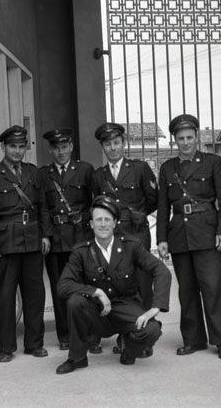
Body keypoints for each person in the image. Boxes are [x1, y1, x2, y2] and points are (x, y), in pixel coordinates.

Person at [55, 196, 171, 374]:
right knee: (75, 302)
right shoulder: (81, 252)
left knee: (152, 330)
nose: (103, 224)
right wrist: (96, 292)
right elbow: (63, 285)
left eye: (107, 219)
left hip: (125, 307)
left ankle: (129, 351)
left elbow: (161, 271)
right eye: (98, 220)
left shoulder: (131, 245)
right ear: (91, 224)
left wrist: (156, 307)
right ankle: (77, 358)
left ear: (115, 223)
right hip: (97, 311)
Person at [157, 114, 221, 360]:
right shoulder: (168, 168)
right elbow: (163, 207)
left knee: (213, 288)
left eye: (189, 137)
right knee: (187, 291)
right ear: (174, 140)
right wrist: (162, 238)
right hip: (180, 235)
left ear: (197, 137)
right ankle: (193, 339)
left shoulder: (213, 163)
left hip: (208, 233)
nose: (186, 143)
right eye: (181, 138)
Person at [0, 125, 52, 363]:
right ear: (3, 147)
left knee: (35, 295)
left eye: (21, 146)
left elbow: (43, 207)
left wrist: (45, 235)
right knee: (6, 297)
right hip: (5, 244)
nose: (17, 151)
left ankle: (34, 344)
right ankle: (6, 348)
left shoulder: (33, 172)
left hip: (32, 241)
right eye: (12, 146)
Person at [91, 122, 158, 356]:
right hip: (111, 239)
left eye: (117, 143)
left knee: (142, 285)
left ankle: (143, 339)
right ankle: (123, 337)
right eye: (108, 144)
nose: (113, 148)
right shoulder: (98, 176)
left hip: (137, 235)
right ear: (102, 147)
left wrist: (136, 216)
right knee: (117, 287)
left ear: (124, 143)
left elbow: (153, 199)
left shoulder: (140, 168)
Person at [38, 128, 94, 350]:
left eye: (64, 147)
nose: (61, 152)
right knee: (59, 287)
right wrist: (45, 235)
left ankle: (89, 334)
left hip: (80, 237)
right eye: (56, 148)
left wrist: (87, 220)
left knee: (85, 285)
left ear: (71, 147)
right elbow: (42, 208)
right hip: (56, 240)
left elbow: (94, 203)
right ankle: (65, 335)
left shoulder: (85, 170)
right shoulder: (44, 174)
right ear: (50, 150)